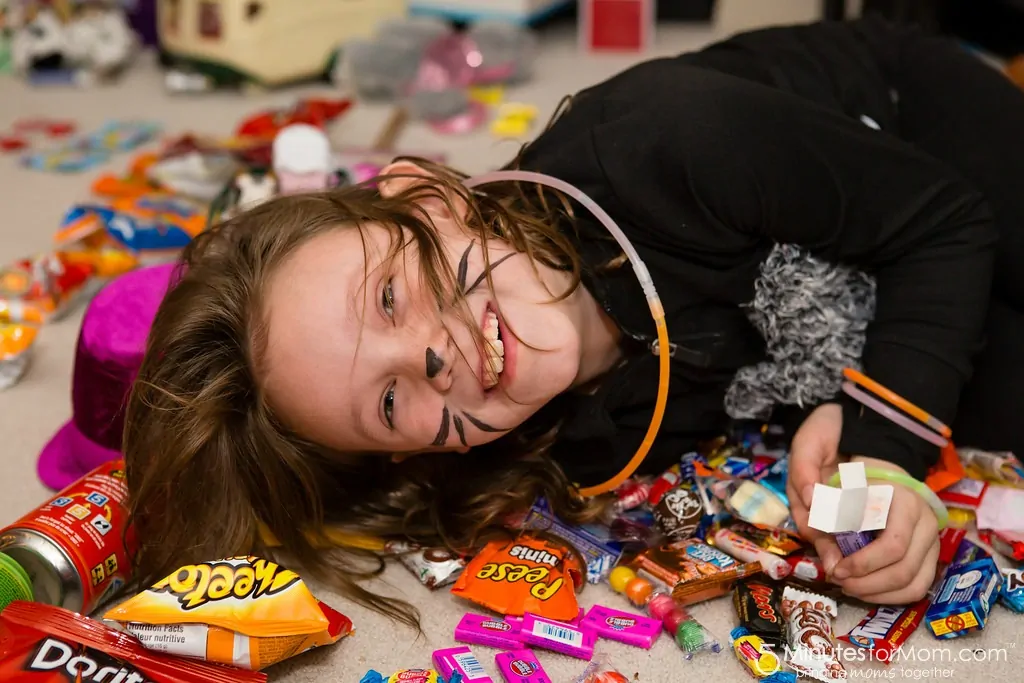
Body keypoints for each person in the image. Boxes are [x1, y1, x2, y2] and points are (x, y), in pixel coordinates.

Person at [124, 16, 1024, 624]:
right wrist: (834, 410)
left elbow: (944, 223)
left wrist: (887, 449)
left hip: (915, 142)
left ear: (428, 197)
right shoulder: (576, 446)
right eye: (390, 402)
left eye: (390, 296)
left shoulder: (668, 138)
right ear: (413, 454)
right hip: (832, 300)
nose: (432, 358)